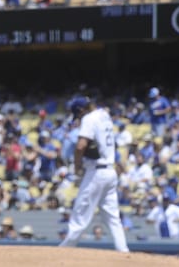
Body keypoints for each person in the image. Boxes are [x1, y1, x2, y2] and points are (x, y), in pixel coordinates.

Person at [58, 96, 129, 252]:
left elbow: (80, 146)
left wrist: (77, 166)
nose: (79, 118)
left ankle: (65, 249)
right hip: (110, 170)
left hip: (96, 172)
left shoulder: (89, 119)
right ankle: (123, 251)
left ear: (82, 110)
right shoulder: (104, 114)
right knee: (113, 217)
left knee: (80, 213)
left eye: (79, 114)